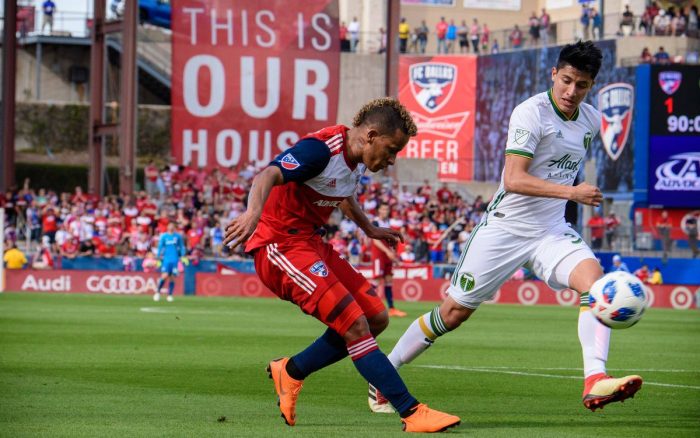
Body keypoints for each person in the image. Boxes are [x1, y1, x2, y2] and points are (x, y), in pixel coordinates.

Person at [368, 41, 643, 415]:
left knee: (595, 284)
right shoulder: (531, 113)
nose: (570, 91)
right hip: (504, 229)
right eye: (566, 81)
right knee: (453, 314)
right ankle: (383, 376)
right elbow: (513, 179)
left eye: (581, 85)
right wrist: (572, 192)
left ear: (592, 85)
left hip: (550, 230)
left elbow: (560, 168)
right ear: (554, 75)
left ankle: (595, 379)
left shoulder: (591, 120)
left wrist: (566, 200)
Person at [223, 98, 460, 432]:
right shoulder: (320, 150)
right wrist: (253, 213)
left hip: (310, 243)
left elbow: (342, 191)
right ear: (371, 135)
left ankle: (291, 371)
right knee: (355, 326)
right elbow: (269, 174)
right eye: (391, 150)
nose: (391, 161)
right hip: (279, 247)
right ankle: (411, 411)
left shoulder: (356, 157)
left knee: (376, 316)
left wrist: (368, 228)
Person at [371, 203, 407, 318]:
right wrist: (387, 252)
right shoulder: (375, 223)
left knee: (388, 280)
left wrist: (393, 254)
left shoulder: (387, 224)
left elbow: (390, 241)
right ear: (379, 211)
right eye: (383, 208)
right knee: (376, 280)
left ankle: (391, 308)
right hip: (378, 255)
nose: (385, 211)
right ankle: (365, 305)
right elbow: (375, 241)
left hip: (387, 255)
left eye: (387, 209)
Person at [154, 222, 186, 303]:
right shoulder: (164, 236)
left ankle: (170, 295)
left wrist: (182, 255)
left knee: (172, 276)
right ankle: (157, 292)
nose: (171, 227)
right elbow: (160, 246)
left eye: (172, 225)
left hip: (175, 259)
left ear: (174, 227)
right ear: (167, 226)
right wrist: (158, 255)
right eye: (169, 225)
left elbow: (181, 246)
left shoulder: (177, 236)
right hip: (166, 259)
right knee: (164, 275)